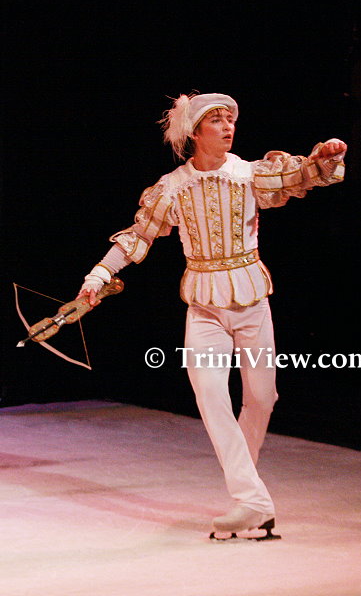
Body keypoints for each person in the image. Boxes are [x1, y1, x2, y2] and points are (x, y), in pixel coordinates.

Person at [78, 93, 347, 538]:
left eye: (230, 120)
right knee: (210, 394)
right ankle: (252, 501)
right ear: (195, 132)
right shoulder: (173, 186)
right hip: (205, 307)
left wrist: (326, 155)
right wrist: (99, 274)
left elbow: (301, 174)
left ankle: (246, 495)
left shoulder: (248, 174)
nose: (227, 127)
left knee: (261, 398)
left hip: (251, 302)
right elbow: (139, 235)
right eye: (217, 121)